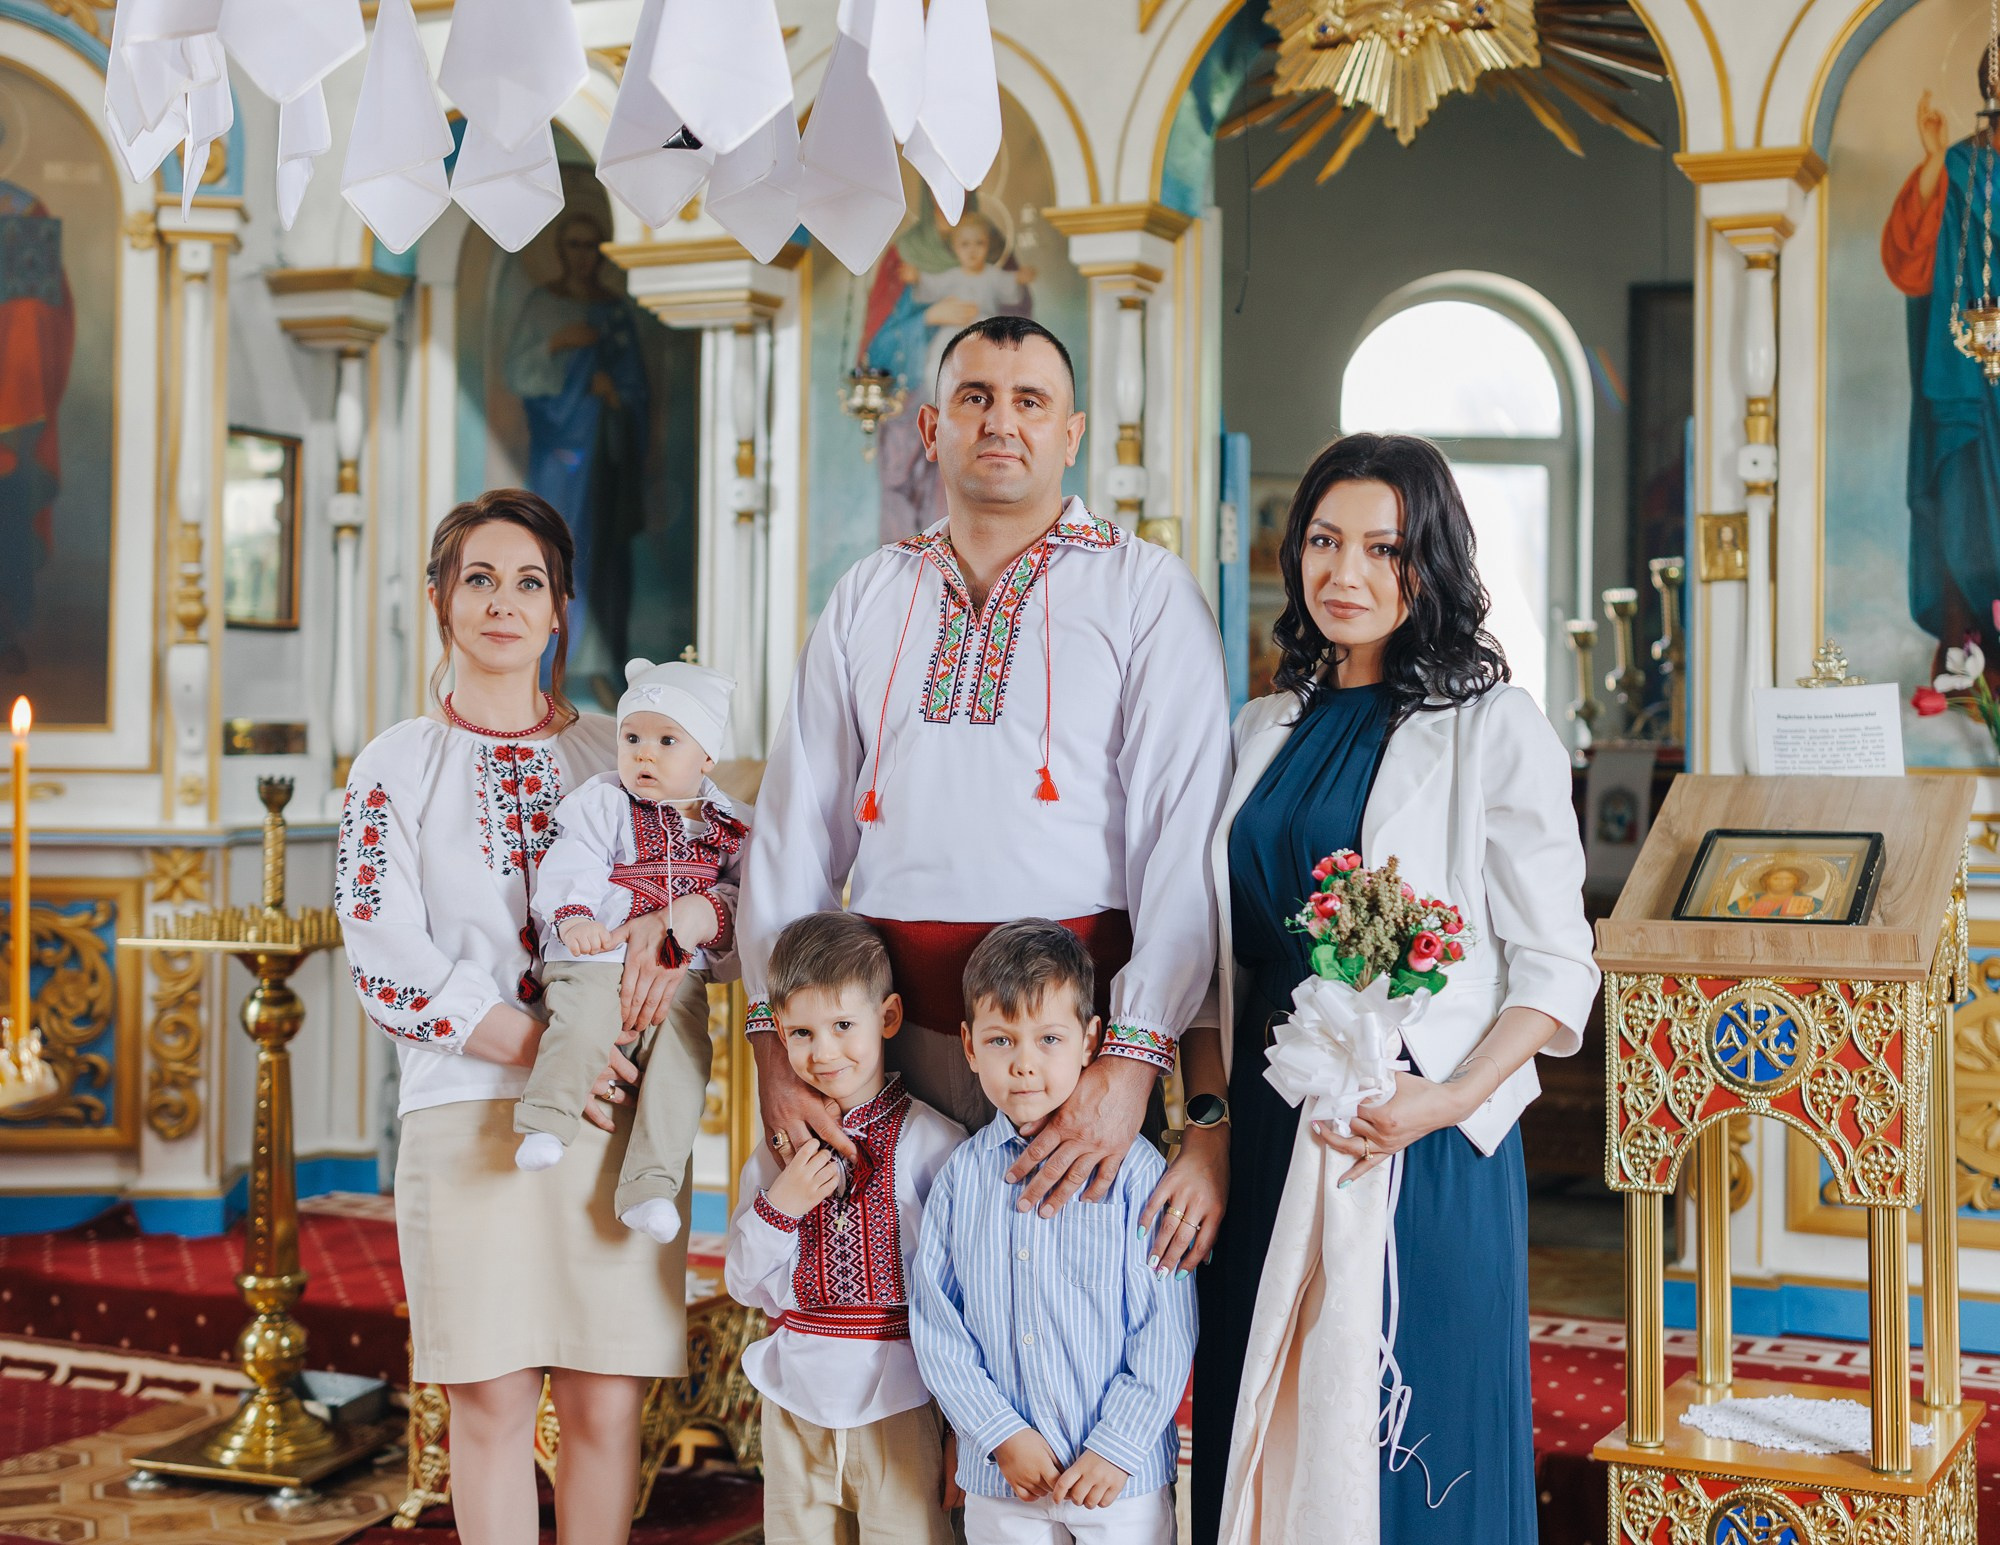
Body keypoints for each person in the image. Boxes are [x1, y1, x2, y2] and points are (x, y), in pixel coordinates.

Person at [1165, 434, 1598, 1544]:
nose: (1342, 574)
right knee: (1265, 1413)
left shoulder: (1491, 728)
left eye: (1380, 548)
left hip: (1413, 1132)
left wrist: (1444, 1101)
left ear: (1430, 565)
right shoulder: (1258, 728)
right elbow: (1213, 966)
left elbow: (1556, 970)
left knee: (1407, 1427)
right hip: (1265, 1120)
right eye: (1320, 540)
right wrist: (1205, 1127)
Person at [739, 315, 1230, 1221]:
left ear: (1071, 435)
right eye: (976, 398)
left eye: (1030, 401)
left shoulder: (1146, 591)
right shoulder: (868, 593)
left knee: (1062, 1326)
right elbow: (792, 829)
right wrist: (778, 1044)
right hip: (881, 1049)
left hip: (1067, 1050)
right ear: (931, 429)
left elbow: (1185, 845)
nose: (1002, 421)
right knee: (886, 1334)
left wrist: (1127, 1064)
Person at [335, 487, 693, 1545]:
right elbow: (384, 962)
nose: (504, 602)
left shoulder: (618, 759)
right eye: (479, 579)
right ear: (442, 599)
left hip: (611, 1114)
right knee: (489, 1402)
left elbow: (691, 890)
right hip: (467, 1111)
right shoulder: (392, 765)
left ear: (560, 610)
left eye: (529, 582)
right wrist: (547, 1053)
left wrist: (673, 950)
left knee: (604, 1395)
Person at [911, 920, 1196, 1545]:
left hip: (1119, 1481)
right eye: (1000, 1040)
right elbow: (936, 1322)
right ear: (967, 1045)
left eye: (1048, 1039)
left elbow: (1166, 1325)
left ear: (1090, 1040)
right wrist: (997, 1434)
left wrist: (1118, 1446)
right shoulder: (960, 1177)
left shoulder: (1134, 1170)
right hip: (1007, 1482)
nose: (1024, 1065)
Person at [724, 911, 965, 1545]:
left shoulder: (933, 1141)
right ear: (778, 1030)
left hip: (899, 1400)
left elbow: (966, 1291)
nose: (823, 1052)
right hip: (795, 1396)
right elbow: (745, 1284)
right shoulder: (776, 1154)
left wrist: (970, 1426)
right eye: (800, 1032)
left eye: (842, 1026)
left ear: (887, 1019)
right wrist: (782, 1207)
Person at [516, 658, 747, 1245]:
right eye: (632, 738)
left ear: (706, 758)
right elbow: (576, 859)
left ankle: (651, 1185)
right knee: (584, 1022)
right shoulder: (606, 803)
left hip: (678, 976)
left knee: (685, 1063)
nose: (644, 754)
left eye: (667, 741)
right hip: (596, 953)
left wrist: (708, 919)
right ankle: (547, 1121)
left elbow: (749, 897)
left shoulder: (731, 826)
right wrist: (574, 918)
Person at [1881, 48, 2000, 676]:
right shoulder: (1961, 165)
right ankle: (1973, 645)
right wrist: (1931, 162)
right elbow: (1909, 263)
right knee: (1964, 501)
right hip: (1970, 376)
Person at [504, 207, 650, 681]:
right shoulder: (543, 304)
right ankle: (546, 669)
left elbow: (636, 388)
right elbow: (520, 376)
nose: (583, 257)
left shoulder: (613, 310)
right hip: (560, 455)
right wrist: (558, 346)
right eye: (574, 246)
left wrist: (615, 393)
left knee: (602, 556)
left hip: (604, 455)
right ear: (561, 251)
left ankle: (598, 668)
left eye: (592, 247)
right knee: (554, 553)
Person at [1725, 862, 1821, 919]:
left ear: (1797, 882)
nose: (1782, 882)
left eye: (1788, 879)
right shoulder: (1749, 901)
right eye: (1776, 878)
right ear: (1766, 881)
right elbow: (1727, 917)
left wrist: (1810, 913)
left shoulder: (1810, 903)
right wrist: (1742, 911)